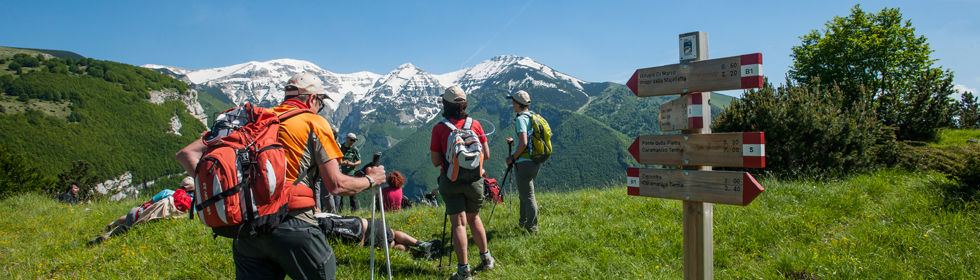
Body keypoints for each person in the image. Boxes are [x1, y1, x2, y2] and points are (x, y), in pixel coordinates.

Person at [175, 72, 386, 280]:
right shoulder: (313, 122)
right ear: (313, 98)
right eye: (321, 103)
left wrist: (225, 191)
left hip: (248, 230)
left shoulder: (255, 120)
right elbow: (336, 185)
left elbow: (186, 154)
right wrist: (371, 179)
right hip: (293, 223)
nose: (320, 108)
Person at [429, 85, 495, 280]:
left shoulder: (439, 128)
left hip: (451, 180)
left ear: (445, 104)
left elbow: (435, 161)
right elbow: (487, 155)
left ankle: (464, 271)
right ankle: (486, 260)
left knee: (458, 224)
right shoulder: (475, 125)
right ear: (464, 104)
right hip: (475, 180)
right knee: (474, 218)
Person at [88, 177, 195, 245]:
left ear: (180, 186)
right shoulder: (193, 203)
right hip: (156, 220)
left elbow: (149, 203)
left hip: (139, 214)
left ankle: (110, 228)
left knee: (134, 216)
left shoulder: (167, 192)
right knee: (128, 228)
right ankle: (109, 234)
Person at [316, 213, 440, 259]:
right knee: (394, 233)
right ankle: (422, 245)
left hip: (366, 238)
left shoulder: (325, 232)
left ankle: (417, 254)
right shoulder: (323, 217)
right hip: (369, 224)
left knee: (392, 245)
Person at [505, 90, 541, 234]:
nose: (512, 104)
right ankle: (523, 222)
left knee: (528, 195)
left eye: (513, 102)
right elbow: (528, 139)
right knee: (524, 193)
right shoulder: (532, 116)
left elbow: (524, 142)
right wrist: (516, 141)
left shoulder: (521, 119)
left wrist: (512, 157)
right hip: (534, 161)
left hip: (524, 162)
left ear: (518, 104)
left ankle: (532, 228)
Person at [336, 132, 362, 212]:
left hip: (351, 173)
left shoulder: (354, 149)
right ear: (347, 139)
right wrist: (341, 162)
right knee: (340, 193)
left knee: (352, 193)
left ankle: (354, 210)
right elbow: (337, 158)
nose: (352, 142)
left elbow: (359, 161)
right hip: (341, 172)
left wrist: (353, 164)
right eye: (351, 140)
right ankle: (340, 210)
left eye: (354, 141)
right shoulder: (341, 147)